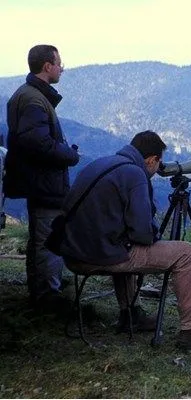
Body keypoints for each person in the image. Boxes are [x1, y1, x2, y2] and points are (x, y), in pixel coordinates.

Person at [59, 130, 191, 351]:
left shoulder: (102, 164)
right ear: (152, 159)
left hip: (73, 253)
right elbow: (143, 234)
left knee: (124, 244)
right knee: (185, 252)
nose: (156, 170)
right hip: (96, 256)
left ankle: (131, 315)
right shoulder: (135, 175)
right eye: (157, 165)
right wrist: (152, 231)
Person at [4, 44, 79, 307]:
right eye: (59, 63)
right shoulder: (34, 99)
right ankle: (48, 296)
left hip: (36, 181)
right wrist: (69, 155)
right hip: (44, 183)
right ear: (47, 66)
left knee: (41, 238)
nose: (62, 68)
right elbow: (38, 143)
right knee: (49, 237)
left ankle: (42, 290)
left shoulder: (29, 96)